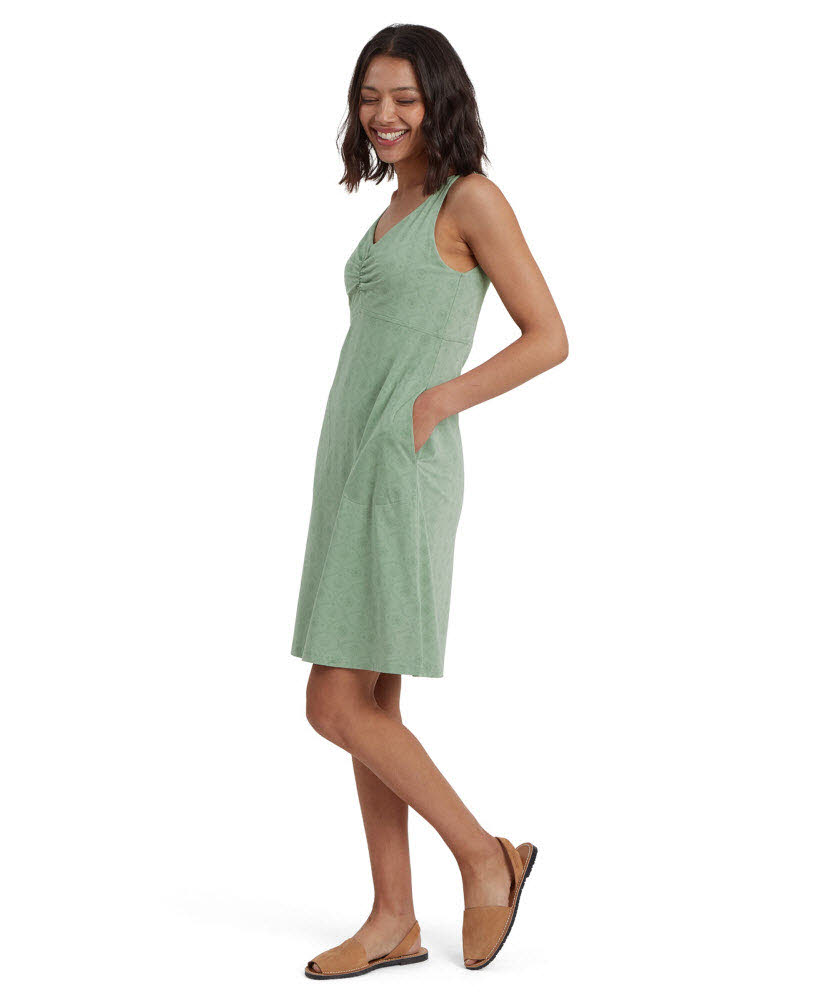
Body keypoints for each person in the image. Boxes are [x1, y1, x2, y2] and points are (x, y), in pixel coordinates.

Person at [290, 23, 568, 978]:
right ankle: (393, 920)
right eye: (370, 97)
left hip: (404, 466)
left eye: (403, 98)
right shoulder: (396, 203)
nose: (383, 114)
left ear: (438, 99)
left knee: (333, 702)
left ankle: (485, 857)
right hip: (351, 464)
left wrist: (436, 401)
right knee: (370, 701)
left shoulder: (469, 199)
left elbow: (547, 336)